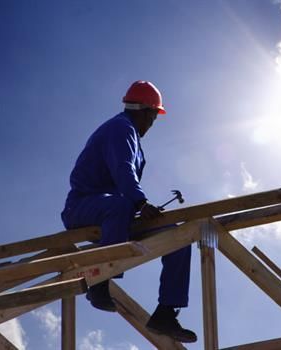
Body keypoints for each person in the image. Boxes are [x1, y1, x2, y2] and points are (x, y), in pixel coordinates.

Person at [61, 81, 197, 343]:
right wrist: (140, 203)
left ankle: (166, 312)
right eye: (154, 116)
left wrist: (139, 206)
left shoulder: (132, 137)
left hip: (115, 213)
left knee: (178, 238)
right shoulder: (120, 128)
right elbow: (123, 169)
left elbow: (125, 181)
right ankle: (99, 282)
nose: (153, 123)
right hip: (82, 207)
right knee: (121, 206)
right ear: (145, 111)